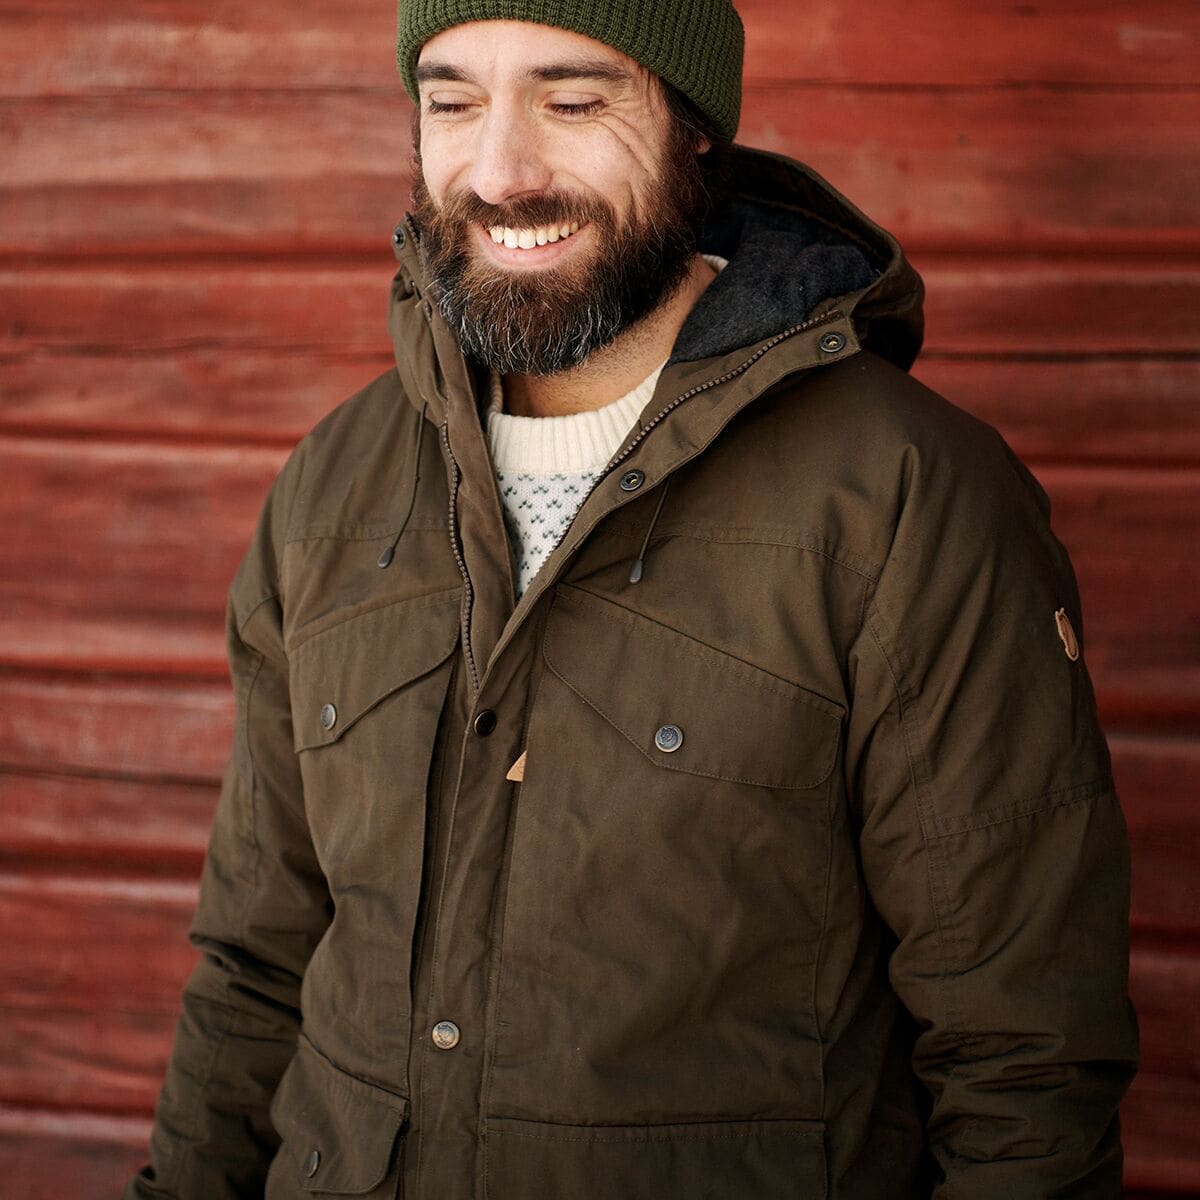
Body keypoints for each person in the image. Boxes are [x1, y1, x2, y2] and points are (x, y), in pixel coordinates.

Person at [126, 1, 1139, 1197]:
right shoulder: (333, 487)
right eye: (451, 102)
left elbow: (1022, 1054)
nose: (500, 172)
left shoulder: (904, 493)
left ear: (693, 131)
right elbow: (256, 971)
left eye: (572, 100)